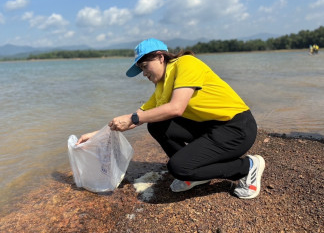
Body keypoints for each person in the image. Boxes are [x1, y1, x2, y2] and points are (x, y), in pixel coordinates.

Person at [77, 38, 265, 199]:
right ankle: (196, 173)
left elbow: (176, 108)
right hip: (211, 128)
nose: (144, 73)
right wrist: (96, 135)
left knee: (178, 168)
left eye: (144, 66)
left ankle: (247, 167)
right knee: (156, 125)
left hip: (237, 129)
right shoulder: (162, 86)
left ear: (160, 57)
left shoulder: (187, 63)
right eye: (141, 69)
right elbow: (134, 118)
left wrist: (135, 118)